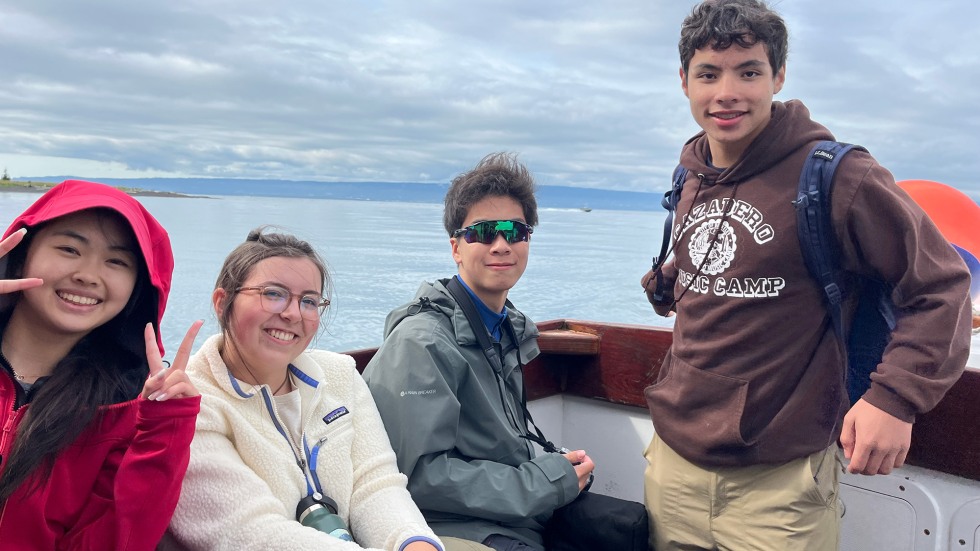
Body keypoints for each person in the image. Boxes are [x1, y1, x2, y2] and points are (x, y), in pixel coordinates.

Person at [639, 1, 973, 550]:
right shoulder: (691, 173)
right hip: (672, 466)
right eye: (708, 73)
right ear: (684, 82)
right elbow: (740, 270)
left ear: (779, 76)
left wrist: (894, 399)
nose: (727, 92)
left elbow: (941, 286)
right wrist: (673, 279)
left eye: (748, 71)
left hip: (780, 487)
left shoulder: (836, 176)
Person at [363, 152, 595, 551]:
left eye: (515, 231)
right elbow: (416, 477)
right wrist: (543, 482)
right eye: (484, 232)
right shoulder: (422, 343)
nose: (502, 245)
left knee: (628, 527)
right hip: (449, 526)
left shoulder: (503, 329)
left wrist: (554, 464)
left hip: (511, 515)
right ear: (456, 247)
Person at [163, 227, 443, 551]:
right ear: (222, 302)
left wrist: (413, 543)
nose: (293, 313)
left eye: (309, 301)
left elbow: (376, 484)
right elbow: (252, 533)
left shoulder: (339, 375)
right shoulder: (188, 403)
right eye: (273, 293)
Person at [0, 180, 203, 549]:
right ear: (22, 251)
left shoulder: (121, 412)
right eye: (69, 248)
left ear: (136, 290)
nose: (88, 275)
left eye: (116, 261)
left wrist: (165, 430)